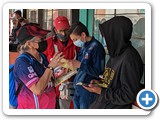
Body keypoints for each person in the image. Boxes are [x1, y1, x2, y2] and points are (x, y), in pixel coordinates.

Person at [83, 16, 144, 109]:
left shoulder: (130, 59)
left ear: (115, 35)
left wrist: (101, 91)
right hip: (101, 104)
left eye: (106, 37)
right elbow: (112, 81)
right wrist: (99, 83)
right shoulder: (115, 53)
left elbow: (128, 95)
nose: (104, 40)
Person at [14, 24, 64, 109]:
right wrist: (51, 67)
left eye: (44, 38)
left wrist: (61, 73)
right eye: (41, 39)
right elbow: (38, 89)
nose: (45, 41)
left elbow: (48, 81)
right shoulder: (22, 62)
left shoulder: (42, 57)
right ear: (29, 43)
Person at [43, 16, 80, 109]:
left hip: (72, 85)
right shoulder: (48, 43)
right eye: (61, 31)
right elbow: (41, 63)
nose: (64, 34)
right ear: (55, 30)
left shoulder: (75, 42)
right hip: (52, 87)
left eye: (66, 30)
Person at [68, 21, 106, 109]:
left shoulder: (96, 47)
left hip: (88, 89)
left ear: (83, 35)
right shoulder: (84, 46)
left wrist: (79, 65)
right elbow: (80, 65)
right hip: (79, 85)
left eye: (75, 39)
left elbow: (99, 72)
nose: (74, 42)